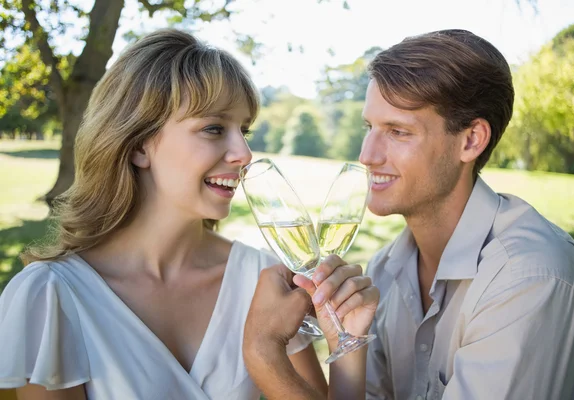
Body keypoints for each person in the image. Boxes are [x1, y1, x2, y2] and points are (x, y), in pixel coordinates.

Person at [0, 28, 378, 400]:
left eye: (243, 130)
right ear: (138, 146)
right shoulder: (51, 297)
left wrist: (349, 340)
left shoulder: (261, 281)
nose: (244, 154)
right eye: (214, 128)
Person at [243, 29, 574, 399]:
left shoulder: (528, 279)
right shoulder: (385, 270)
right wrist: (349, 344)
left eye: (397, 131)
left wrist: (262, 353)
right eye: (370, 127)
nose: (367, 155)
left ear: (471, 140)